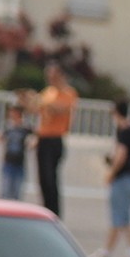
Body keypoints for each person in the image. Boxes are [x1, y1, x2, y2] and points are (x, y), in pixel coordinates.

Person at [90, 100, 130, 257]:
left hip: (122, 178)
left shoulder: (124, 132)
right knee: (125, 217)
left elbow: (121, 154)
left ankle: (107, 251)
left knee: (118, 216)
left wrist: (111, 173)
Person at [33, 62, 78, 217]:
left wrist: (43, 103)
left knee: (50, 177)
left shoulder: (68, 93)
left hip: (55, 139)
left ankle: (54, 213)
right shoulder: (48, 92)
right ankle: (45, 210)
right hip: (43, 138)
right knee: (42, 179)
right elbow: (37, 110)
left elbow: (60, 109)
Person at [0, 103, 33, 200]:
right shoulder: (8, 126)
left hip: (19, 162)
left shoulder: (25, 127)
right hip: (8, 161)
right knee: (6, 190)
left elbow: (33, 138)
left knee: (17, 192)